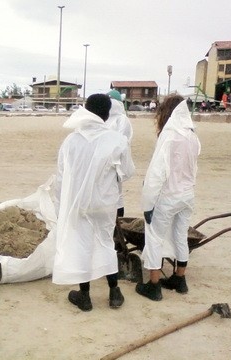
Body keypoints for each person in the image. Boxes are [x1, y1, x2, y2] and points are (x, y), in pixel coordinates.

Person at [52, 94, 135, 311]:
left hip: (78, 205)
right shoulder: (117, 140)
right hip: (105, 204)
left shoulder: (70, 141)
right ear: (108, 114)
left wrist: (60, 207)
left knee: (82, 247)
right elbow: (127, 173)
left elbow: (60, 178)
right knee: (106, 243)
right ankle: (114, 292)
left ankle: (85, 296)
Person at [136, 95, 201, 301]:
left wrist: (147, 203)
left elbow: (157, 173)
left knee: (154, 238)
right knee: (180, 235)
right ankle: (179, 279)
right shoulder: (192, 136)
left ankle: (154, 285)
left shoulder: (169, 135)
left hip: (168, 196)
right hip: (187, 195)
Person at [106, 89, 133, 217]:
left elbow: (122, 140)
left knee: (117, 194)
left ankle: (118, 223)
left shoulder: (121, 119)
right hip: (106, 161)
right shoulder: (104, 117)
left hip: (115, 162)